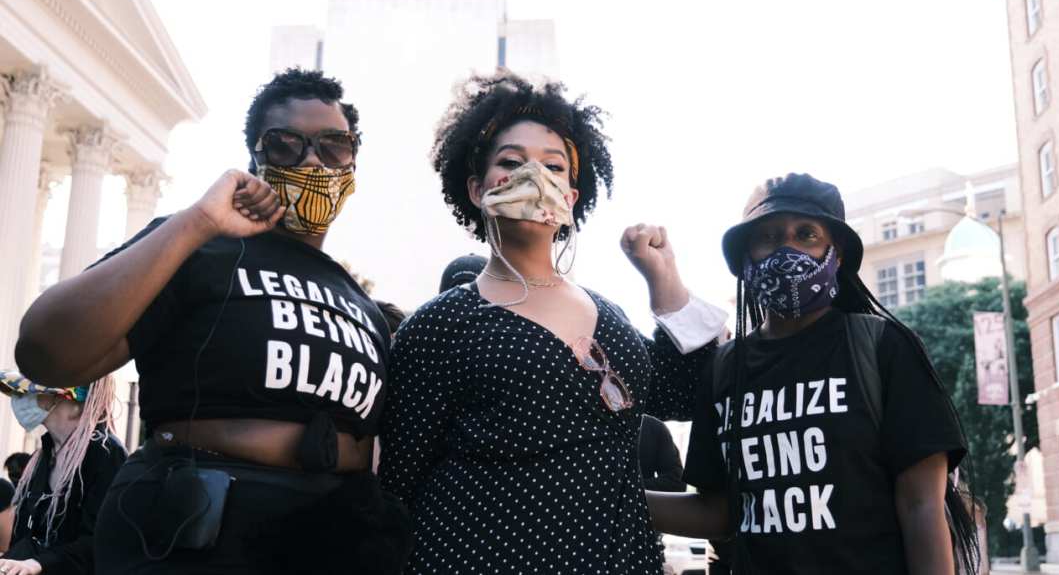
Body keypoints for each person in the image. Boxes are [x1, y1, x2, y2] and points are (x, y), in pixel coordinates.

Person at [15, 68, 411, 574]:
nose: (313, 160)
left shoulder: (358, 298)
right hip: (201, 531)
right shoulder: (201, 247)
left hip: (334, 539)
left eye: (335, 146)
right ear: (255, 160)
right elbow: (46, 353)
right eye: (287, 144)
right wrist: (197, 222)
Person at [379, 71, 727, 574]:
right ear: (477, 189)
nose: (533, 176)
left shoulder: (610, 315)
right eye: (511, 162)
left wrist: (663, 279)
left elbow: (682, 393)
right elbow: (399, 480)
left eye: (553, 166)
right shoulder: (442, 324)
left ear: (570, 196)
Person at [646, 173, 980, 574]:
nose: (786, 248)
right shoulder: (724, 370)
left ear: (835, 254)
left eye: (806, 234)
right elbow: (719, 511)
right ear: (745, 258)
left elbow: (921, 504)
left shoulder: (883, 347)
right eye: (767, 236)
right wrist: (602, 494)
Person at [0, 371, 125, 575]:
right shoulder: (43, 456)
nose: (19, 399)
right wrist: (12, 561)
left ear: (71, 400)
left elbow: (102, 540)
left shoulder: (105, 453)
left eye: (29, 393)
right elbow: (28, 535)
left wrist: (39, 564)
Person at [639, 414, 686, 492]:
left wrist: (632, 487)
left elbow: (676, 483)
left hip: (636, 500)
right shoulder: (653, 427)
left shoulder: (653, 427)